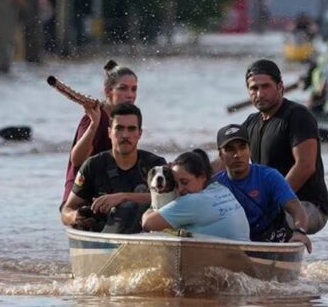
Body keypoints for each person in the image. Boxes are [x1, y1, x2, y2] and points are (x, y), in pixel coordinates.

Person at [236, 59, 328, 234]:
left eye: (266, 87)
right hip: (269, 205)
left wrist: (271, 202)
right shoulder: (251, 123)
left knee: (257, 223)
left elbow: (305, 166)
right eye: (254, 88)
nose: (260, 94)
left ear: (280, 87)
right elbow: (225, 159)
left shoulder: (297, 116)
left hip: (307, 206)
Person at [61, 103, 166, 234]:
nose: (125, 135)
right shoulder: (93, 165)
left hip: (144, 236)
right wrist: (75, 217)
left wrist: (123, 197)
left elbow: (170, 200)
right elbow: (67, 209)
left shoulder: (155, 166)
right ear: (109, 132)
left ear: (139, 134)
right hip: (102, 239)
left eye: (131, 129)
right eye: (119, 128)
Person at [214, 124, 312, 252]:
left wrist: (300, 232)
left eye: (242, 148)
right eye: (230, 149)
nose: (237, 155)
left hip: (273, 240)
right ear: (221, 155)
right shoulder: (215, 185)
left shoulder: (269, 176)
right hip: (236, 243)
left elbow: (298, 210)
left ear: (250, 151)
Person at [62, 60, 138, 206]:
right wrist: (94, 124)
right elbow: (77, 160)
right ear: (108, 91)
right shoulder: (94, 118)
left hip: (109, 189)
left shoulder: (127, 119)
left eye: (134, 89)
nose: (130, 95)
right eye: (123, 89)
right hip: (81, 192)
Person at [141, 150, 250, 240]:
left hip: (229, 261)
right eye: (176, 184)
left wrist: (152, 207)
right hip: (245, 253)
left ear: (202, 176)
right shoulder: (221, 189)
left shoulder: (192, 201)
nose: (180, 190)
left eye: (184, 182)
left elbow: (147, 223)